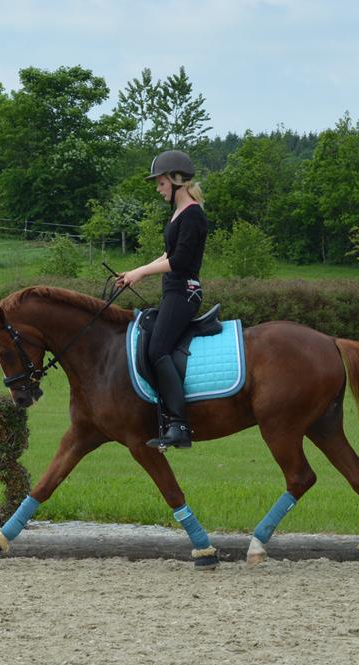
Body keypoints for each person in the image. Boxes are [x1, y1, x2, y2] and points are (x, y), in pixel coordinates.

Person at [115, 149, 208, 449]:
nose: (158, 189)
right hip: (173, 290)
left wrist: (141, 273)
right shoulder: (179, 214)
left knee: (158, 350)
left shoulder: (193, 213)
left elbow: (180, 261)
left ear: (176, 180)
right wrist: (134, 271)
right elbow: (169, 255)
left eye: (161, 183)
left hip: (185, 292)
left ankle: (179, 425)